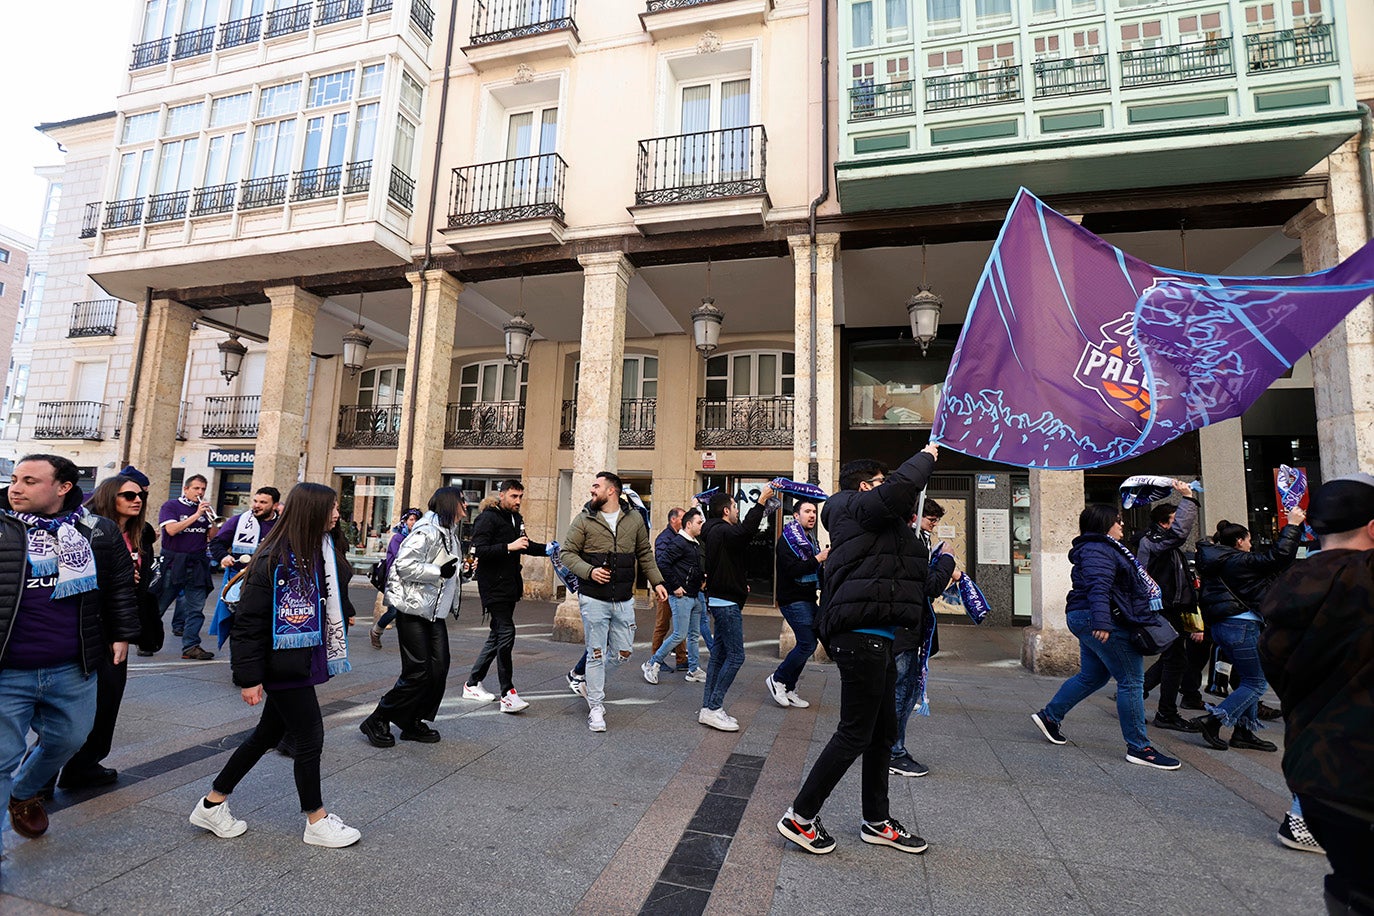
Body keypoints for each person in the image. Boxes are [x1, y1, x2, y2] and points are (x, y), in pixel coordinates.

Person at [778, 446, 942, 857]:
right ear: (866, 486)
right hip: (861, 637)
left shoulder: (877, 524)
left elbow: (911, 576)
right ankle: (800, 817)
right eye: (881, 482)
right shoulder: (850, 506)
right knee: (855, 732)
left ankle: (877, 820)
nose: (889, 489)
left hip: (881, 636)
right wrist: (928, 454)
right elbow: (898, 493)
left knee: (882, 734)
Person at [188, 482, 360, 849]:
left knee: (266, 734)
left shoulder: (320, 549)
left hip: (302, 654)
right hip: (282, 661)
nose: (336, 514)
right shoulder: (275, 559)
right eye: (330, 508)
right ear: (312, 512)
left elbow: (334, 589)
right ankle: (316, 820)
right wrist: (249, 678)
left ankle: (212, 803)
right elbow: (248, 623)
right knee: (310, 737)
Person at [0, 455, 138, 845]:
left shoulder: (98, 531)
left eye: (29, 481)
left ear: (62, 488)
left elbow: (119, 586)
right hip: (9, 668)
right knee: (2, 758)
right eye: (15, 479)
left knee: (70, 740)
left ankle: (24, 791)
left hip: (72, 666)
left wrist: (122, 633)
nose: (16, 488)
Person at [1259, 473, 1374, 911]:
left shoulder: (1290, 592)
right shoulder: (1363, 583)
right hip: (1363, 776)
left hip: (1318, 778)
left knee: (1352, 886)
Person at [1031, 504, 1182, 772]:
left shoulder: (1104, 547)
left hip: (1089, 617)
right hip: (1098, 619)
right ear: (1104, 524)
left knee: (1093, 676)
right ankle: (1140, 747)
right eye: (1118, 520)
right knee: (1132, 680)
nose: (1122, 525)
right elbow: (1098, 585)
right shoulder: (1098, 549)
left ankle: (1049, 716)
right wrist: (1102, 621)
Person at [51, 476, 153, 791]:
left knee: (108, 700)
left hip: (116, 626)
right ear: (110, 496)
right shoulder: (85, 530)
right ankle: (39, 778)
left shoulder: (140, 534)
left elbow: (135, 585)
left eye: (140, 495)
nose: (136, 500)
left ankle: (84, 765)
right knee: (69, 707)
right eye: (128, 495)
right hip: (85, 625)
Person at [559, 471, 667, 733]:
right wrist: (589, 571)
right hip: (593, 598)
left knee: (623, 653)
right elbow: (566, 553)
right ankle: (596, 706)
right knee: (595, 652)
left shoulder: (634, 520)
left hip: (623, 598)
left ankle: (586, 681)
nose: (591, 490)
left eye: (596, 486)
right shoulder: (584, 519)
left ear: (612, 491)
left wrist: (658, 581)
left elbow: (644, 553)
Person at [359, 488, 466, 747]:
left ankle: (411, 720)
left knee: (438, 669)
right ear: (451, 505)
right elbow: (403, 566)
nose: (465, 507)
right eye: (462, 502)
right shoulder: (426, 530)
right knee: (418, 671)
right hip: (413, 610)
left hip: (434, 612)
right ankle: (378, 718)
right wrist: (437, 570)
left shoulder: (448, 533)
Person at [1191, 513, 1303, 752]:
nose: (1251, 544)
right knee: (1256, 683)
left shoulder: (1216, 560)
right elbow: (1279, 556)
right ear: (1239, 541)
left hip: (1225, 627)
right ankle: (1214, 720)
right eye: (1249, 539)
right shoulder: (1236, 561)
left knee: (1245, 678)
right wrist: (1292, 525)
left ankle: (1244, 730)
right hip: (1241, 626)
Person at [699, 485, 778, 731]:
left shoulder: (715, 531)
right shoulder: (722, 530)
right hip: (726, 604)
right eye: (735, 507)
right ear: (725, 511)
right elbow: (745, 533)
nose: (737, 511)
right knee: (736, 656)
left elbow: (730, 559)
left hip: (724, 599)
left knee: (719, 655)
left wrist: (740, 584)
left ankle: (707, 707)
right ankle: (713, 708)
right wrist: (761, 501)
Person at [888, 500, 957, 779]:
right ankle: (893, 751)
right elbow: (928, 585)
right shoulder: (910, 542)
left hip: (905, 625)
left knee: (901, 689)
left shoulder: (909, 540)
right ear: (915, 517)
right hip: (904, 627)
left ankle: (887, 745)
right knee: (903, 690)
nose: (934, 525)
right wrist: (948, 559)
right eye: (930, 520)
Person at [464, 479, 545, 713]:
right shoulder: (488, 518)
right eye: (513, 496)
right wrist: (509, 547)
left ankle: (471, 684)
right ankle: (507, 693)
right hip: (493, 586)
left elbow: (525, 545)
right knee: (507, 632)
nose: (518, 501)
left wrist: (549, 549)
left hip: (510, 585)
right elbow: (478, 549)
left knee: (496, 636)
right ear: (502, 495)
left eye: (520, 496)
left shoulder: (516, 518)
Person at [1134, 482, 1205, 732]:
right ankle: (1164, 711)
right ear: (1165, 523)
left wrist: (1192, 616)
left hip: (1175, 608)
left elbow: (1183, 581)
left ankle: (1140, 694)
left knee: (1174, 658)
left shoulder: (1166, 545)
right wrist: (1188, 498)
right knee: (1175, 659)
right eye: (1175, 519)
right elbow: (1179, 533)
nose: (1179, 524)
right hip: (1162, 608)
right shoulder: (1153, 541)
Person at [765, 499, 830, 710]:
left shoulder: (810, 539)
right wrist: (818, 559)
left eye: (814, 511)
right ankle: (778, 679)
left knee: (810, 642)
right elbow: (794, 570)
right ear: (796, 515)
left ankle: (789, 688)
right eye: (807, 511)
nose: (812, 515)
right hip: (793, 599)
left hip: (808, 597)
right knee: (807, 643)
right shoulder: (788, 540)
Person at [644, 507, 708, 685]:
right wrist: (675, 586)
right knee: (679, 634)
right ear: (688, 525)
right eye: (698, 522)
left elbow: (691, 566)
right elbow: (662, 563)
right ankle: (652, 663)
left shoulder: (694, 542)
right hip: (681, 597)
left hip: (694, 595)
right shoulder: (679, 542)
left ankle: (693, 669)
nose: (701, 525)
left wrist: (702, 578)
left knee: (693, 636)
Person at [156, 474, 216, 660]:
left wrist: (213, 521)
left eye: (203, 489)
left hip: (197, 564)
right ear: (186, 489)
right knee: (159, 605)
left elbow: (212, 537)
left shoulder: (204, 510)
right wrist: (196, 515)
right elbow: (172, 530)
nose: (200, 492)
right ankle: (146, 641)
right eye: (196, 488)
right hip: (174, 563)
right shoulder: (171, 506)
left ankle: (191, 646)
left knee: (196, 609)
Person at [370, 508, 422, 649]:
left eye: (416, 519)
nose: (414, 522)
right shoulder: (398, 538)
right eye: (411, 519)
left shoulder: (417, 537)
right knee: (394, 611)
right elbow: (400, 558)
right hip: (395, 580)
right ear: (405, 521)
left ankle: (407, 643)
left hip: (408, 581)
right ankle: (376, 631)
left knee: (404, 613)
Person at [650, 508, 688, 673]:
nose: (685, 521)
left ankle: (682, 659)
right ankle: (655, 659)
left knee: (680, 626)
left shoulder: (680, 537)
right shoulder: (664, 538)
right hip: (666, 589)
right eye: (682, 518)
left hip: (679, 589)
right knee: (662, 625)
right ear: (673, 520)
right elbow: (662, 563)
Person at [209, 487, 280, 573]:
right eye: (255, 501)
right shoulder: (238, 520)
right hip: (237, 574)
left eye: (263, 502)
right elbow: (216, 543)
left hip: (269, 576)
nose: (257, 505)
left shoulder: (282, 525)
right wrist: (224, 556)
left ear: (275, 506)